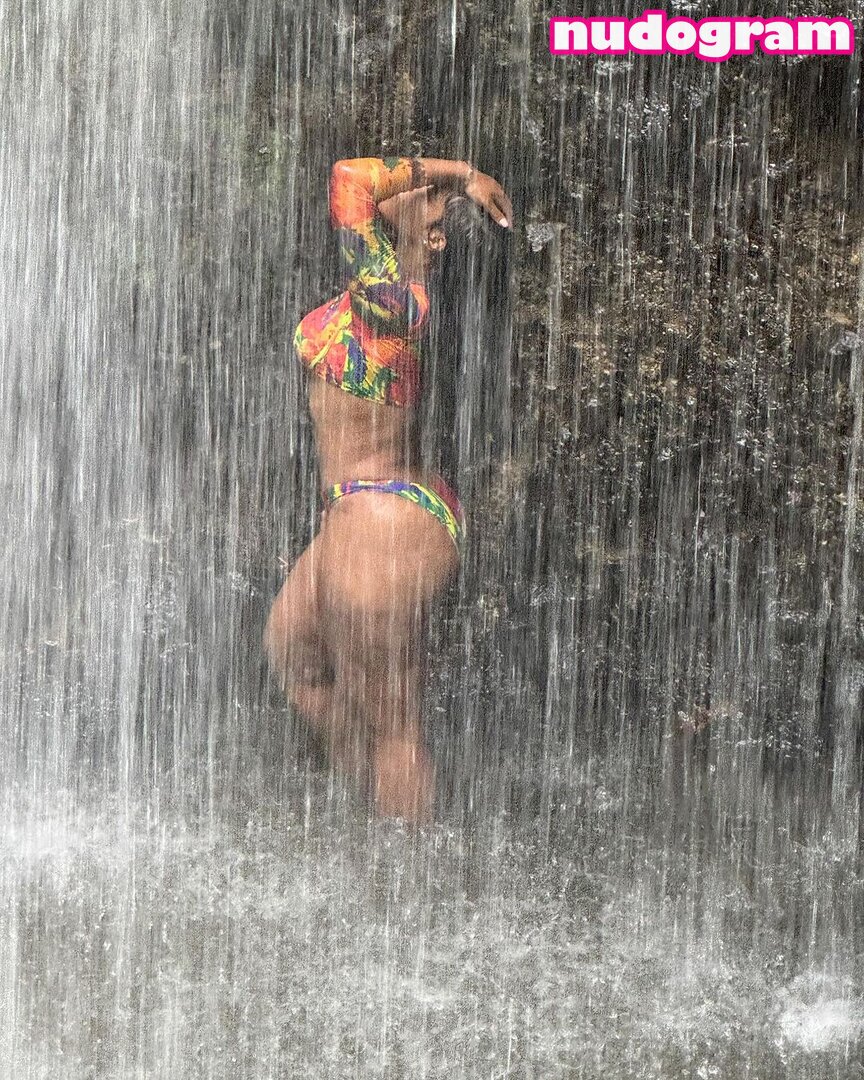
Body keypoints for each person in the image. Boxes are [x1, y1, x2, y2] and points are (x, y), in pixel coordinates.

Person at [264, 156, 512, 822]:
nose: (412, 188)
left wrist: (462, 175)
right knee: (297, 655)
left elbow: (349, 177)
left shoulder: (398, 303)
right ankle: (373, 820)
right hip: (353, 509)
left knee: (394, 723)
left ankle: (409, 871)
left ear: (433, 238)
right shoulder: (376, 298)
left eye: (427, 198)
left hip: (386, 511)